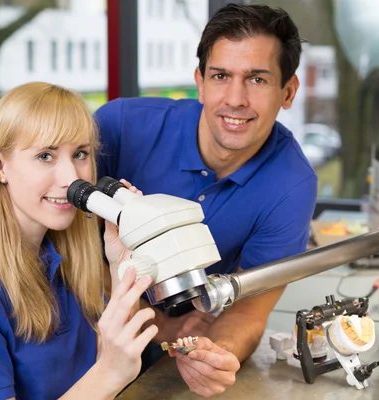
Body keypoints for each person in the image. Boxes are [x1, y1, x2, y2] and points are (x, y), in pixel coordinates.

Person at [95, 3, 317, 397]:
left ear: (288, 91)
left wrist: (218, 353)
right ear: (200, 81)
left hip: (163, 351)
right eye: (220, 76)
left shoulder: (291, 185)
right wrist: (154, 322)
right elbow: (47, 230)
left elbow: (249, 310)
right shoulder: (119, 127)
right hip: (69, 328)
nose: (235, 99)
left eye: (257, 79)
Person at [0, 82, 159, 400]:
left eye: (80, 154)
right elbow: (107, 375)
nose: (70, 177)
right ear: (0, 167)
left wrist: (121, 264)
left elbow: (110, 361)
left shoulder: (69, 255)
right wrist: (109, 375)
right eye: (45, 156)